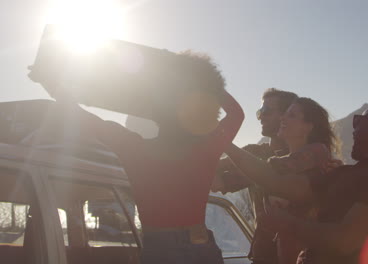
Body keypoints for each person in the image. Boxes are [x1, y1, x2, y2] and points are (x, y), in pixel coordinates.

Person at [51, 53, 244, 264]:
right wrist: (204, 81)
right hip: (201, 247)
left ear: (155, 112)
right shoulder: (206, 148)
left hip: (159, 249)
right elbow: (236, 114)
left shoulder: (134, 148)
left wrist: (52, 83)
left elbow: (80, 116)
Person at [225, 101, 368, 264]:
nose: (353, 129)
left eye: (358, 121)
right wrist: (223, 141)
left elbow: (345, 239)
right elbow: (277, 181)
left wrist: (287, 224)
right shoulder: (342, 173)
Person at [225, 97, 339, 264]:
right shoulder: (283, 160)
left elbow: (274, 171)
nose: (282, 119)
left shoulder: (317, 153)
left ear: (309, 126)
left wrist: (224, 143)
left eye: (291, 115)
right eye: (284, 114)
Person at [211, 88, 298, 264]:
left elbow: (217, 181)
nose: (260, 117)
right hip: (264, 253)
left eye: (266, 111)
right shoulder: (254, 152)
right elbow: (212, 167)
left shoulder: (299, 159)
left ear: (285, 116)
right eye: (260, 112)